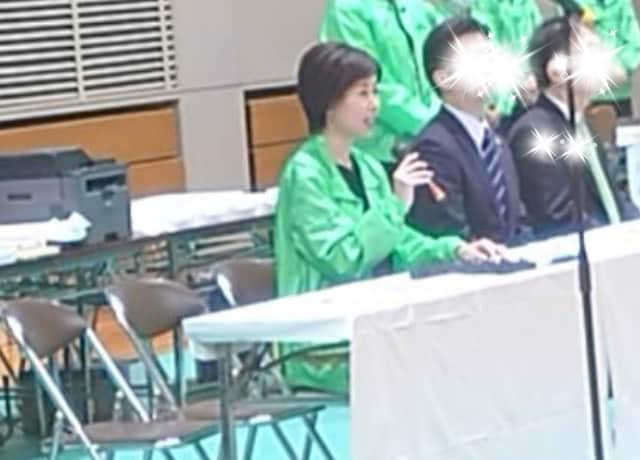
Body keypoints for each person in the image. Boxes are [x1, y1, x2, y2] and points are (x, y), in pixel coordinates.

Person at [275, 42, 505, 393]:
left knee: (469, 347)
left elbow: (399, 243)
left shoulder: (367, 166)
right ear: (330, 102)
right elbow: (343, 259)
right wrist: (396, 204)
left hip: (376, 323)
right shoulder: (305, 173)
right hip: (323, 344)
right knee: (440, 369)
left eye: (375, 92)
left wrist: (454, 250)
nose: (374, 104)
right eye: (362, 93)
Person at [508, 17, 638, 237]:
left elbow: (616, 203)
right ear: (557, 71)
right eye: (590, 50)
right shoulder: (535, 131)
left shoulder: (582, 125)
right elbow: (558, 219)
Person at [407, 17, 527, 244]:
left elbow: (517, 220)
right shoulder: (434, 147)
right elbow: (449, 232)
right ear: (443, 79)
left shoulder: (496, 141)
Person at [319, 0, 444, 168]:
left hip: (432, 139)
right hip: (378, 151)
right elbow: (370, 82)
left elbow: (442, 61)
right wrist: (434, 125)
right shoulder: (345, 8)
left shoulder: (418, 6)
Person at [572, 0, 640, 116]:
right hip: (582, 95)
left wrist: (620, 68)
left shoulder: (620, 3)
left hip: (618, 93)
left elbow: (634, 44)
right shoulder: (570, 4)